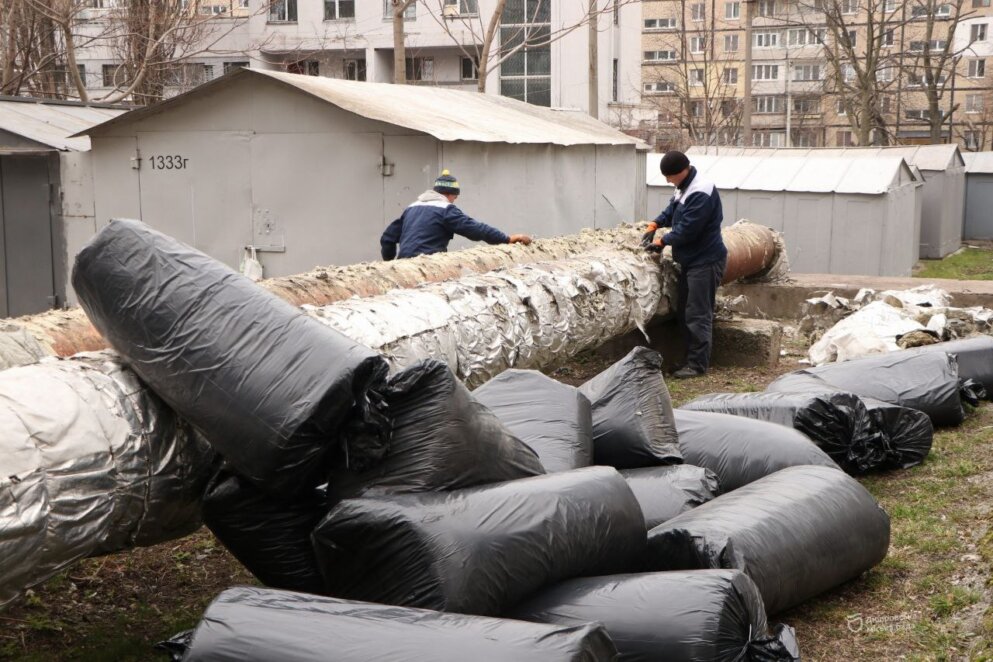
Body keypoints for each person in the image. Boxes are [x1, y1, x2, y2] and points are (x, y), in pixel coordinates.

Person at [642, 150, 727, 379]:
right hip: (691, 260)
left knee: (698, 313)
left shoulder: (701, 190)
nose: (667, 181)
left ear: (682, 171)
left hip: (706, 260)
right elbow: (673, 211)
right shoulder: (684, 187)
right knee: (685, 311)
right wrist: (655, 224)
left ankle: (697, 365)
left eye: (669, 177)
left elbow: (689, 229)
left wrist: (663, 241)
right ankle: (688, 359)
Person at [380, 170, 532, 260]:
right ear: (450, 194)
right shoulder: (445, 209)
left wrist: (390, 263)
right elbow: (475, 229)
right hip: (428, 264)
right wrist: (506, 239)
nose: (455, 200)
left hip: (403, 264)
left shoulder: (411, 208)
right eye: (455, 197)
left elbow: (387, 238)